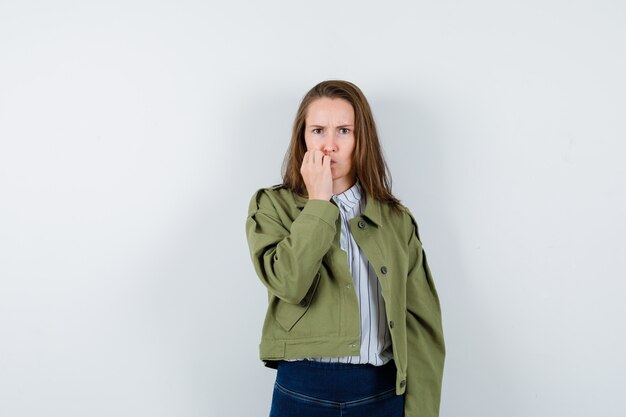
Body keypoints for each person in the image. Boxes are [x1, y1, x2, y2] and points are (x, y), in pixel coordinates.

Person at [245, 80, 445, 417]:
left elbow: (421, 327)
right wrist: (319, 203)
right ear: (302, 138)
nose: (329, 145)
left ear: (360, 139)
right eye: (318, 130)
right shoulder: (271, 206)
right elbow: (288, 282)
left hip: (380, 395)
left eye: (344, 131)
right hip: (302, 393)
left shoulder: (396, 220)